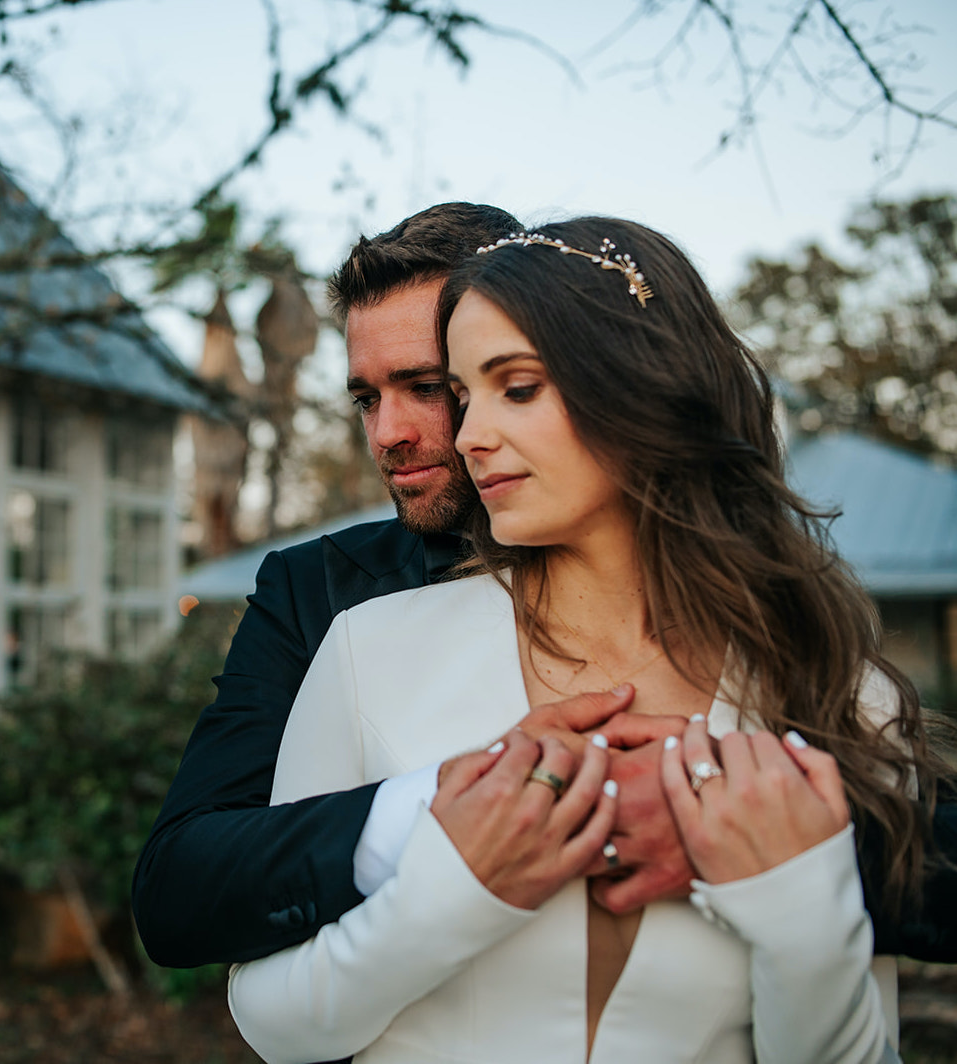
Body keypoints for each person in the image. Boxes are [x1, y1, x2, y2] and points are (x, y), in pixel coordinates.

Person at [132, 205, 957, 988]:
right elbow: (182, 887)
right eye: (365, 397)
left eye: (428, 386)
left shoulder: (768, 614)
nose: (389, 433)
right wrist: (441, 810)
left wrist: (757, 843)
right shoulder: (321, 596)